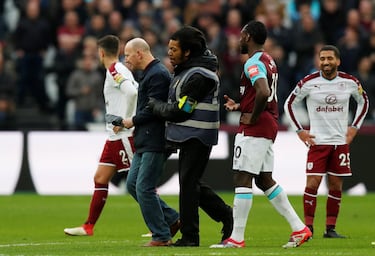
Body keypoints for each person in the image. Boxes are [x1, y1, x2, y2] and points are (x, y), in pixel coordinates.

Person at [210, 20, 312, 249]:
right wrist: (241, 105)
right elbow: (262, 92)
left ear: (248, 37)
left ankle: (236, 238)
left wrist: (253, 116)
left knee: (242, 178)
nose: (238, 40)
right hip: (269, 123)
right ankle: (299, 228)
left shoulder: (252, 62)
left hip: (257, 126)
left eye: (241, 35)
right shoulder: (268, 59)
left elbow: (264, 91)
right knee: (264, 179)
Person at [147, 26, 233, 247]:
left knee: (188, 183)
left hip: (198, 135)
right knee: (190, 183)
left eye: (174, 49)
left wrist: (156, 107)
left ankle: (190, 236)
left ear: (187, 52)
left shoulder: (200, 76)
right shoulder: (187, 71)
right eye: (169, 48)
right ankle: (225, 215)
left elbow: (182, 109)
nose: (170, 53)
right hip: (187, 134)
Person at [283, 44, 369, 238]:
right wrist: (300, 131)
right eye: (322, 59)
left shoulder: (350, 82)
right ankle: (308, 228)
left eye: (330, 58)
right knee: (312, 183)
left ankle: (330, 229)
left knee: (336, 185)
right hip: (317, 141)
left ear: (337, 61)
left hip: (340, 142)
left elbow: (364, 102)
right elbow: (289, 104)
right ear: (318, 61)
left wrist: (354, 127)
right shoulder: (308, 82)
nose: (326, 62)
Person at [64, 35, 138, 236]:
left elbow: (132, 93)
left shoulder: (115, 69)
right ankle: (88, 226)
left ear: (101, 52)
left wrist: (125, 120)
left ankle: (168, 221)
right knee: (100, 178)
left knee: (141, 183)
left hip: (123, 135)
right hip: (113, 137)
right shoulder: (119, 69)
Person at [121, 37, 180, 247]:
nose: (126, 59)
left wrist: (132, 121)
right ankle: (172, 219)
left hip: (156, 139)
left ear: (139, 53)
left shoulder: (158, 75)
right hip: (145, 138)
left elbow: (155, 109)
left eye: (128, 54)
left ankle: (162, 236)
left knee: (144, 187)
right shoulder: (150, 73)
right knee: (133, 184)